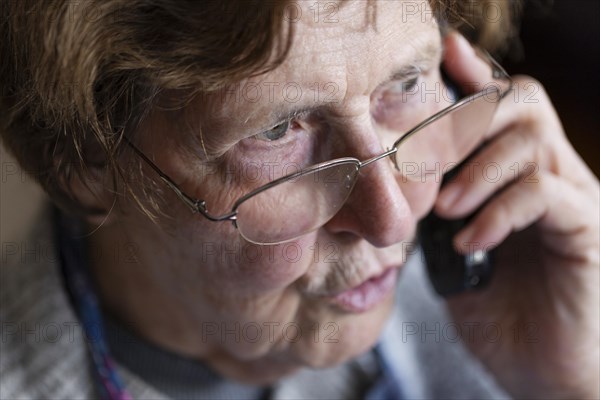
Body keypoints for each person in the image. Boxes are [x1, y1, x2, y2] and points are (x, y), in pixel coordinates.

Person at [1, 1, 598, 399]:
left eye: (408, 84)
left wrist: (576, 380)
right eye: (276, 130)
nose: (390, 220)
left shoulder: (502, 283)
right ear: (84, 162)